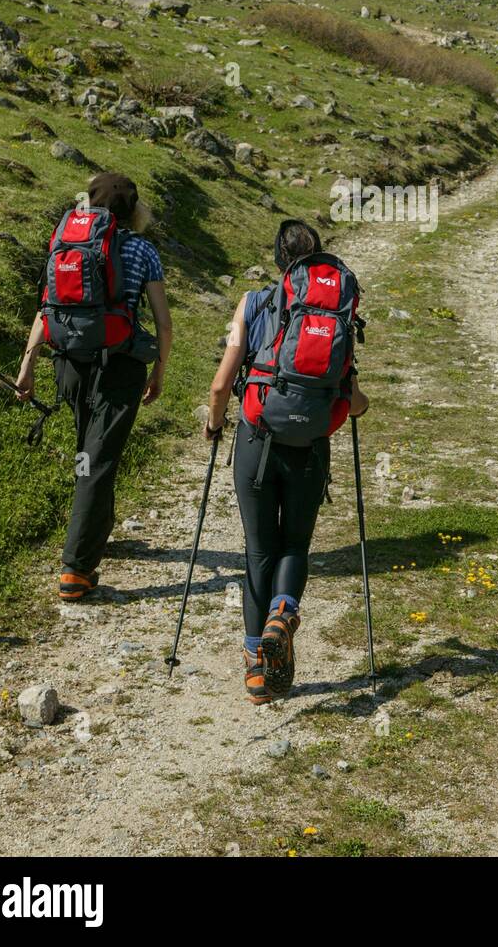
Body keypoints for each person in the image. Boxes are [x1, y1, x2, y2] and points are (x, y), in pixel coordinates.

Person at [206, 219, 368, 705]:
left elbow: (220, 384)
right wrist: (358, 406)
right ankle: (285, 610)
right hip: (311, 446)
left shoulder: (254, 303)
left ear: (280, 263)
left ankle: (257, 669)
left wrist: (215, 424)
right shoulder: (334, 310)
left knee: (259, 549)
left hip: (258, 440)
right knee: (295, 542)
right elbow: (353, 398)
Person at [15, 172, 172, 600]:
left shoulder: (68, 243)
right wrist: (159, 369)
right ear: (134, 210)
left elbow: (46, 308)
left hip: (68, 364)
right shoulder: (142, 249)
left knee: (89, 449)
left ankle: (97, 531)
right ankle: (76, 568)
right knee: (97, 459)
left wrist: (27, 364)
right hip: (118, 366)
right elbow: (161, 321)